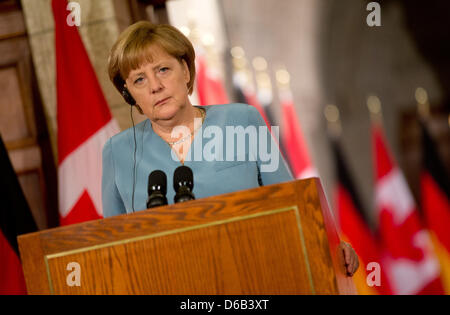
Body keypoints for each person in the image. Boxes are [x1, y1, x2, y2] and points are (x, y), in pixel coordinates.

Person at [103, 21, 359, 276]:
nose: (155, 86)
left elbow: (292, 205)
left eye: (162, 70)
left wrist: (332, 245)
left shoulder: (242, 121)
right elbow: (110, 250)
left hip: (256, 275)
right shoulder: (118, 152)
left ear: (185, 71)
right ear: (129, 95)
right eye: (139, 79)